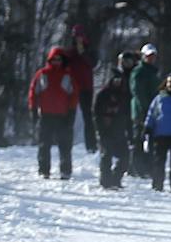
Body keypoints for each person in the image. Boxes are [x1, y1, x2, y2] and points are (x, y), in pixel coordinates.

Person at [29, 46, 81, 177]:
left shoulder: (67, 76)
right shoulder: (42, 74)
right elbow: (33, 92)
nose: (56, 62)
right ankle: (43, 170)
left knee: (65, 145)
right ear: (49, 60)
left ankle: (65, 170)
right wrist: (33, 109)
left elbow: (74, 95)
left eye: (59, 59)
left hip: (63, 116)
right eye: (54, 59)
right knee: (44, 144)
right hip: (45, 115)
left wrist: (72, 111)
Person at [93, 55, 134, 190]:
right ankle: (106, 181)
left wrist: (129, 131)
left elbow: (128, 115)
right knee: (107, 156)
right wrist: (100, 129)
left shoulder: (124, 95)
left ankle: (116, 179)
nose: (117, 82)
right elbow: (96, 114)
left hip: (120, 131)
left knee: (125, 157)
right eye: (115, 79)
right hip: (106, 130)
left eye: (119, 80)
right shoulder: (103, 95)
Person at [62, 24, 99, 153]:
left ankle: (91, 145)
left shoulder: (91, 51)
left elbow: (93, 63)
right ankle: (65, 143)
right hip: (71, 88)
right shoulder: (69, 52)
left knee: (88, 116)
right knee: (68, 117)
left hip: (86, 87)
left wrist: (83, 52)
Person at [129, 44, 162, 179]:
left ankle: (147, 167)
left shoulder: (153, 72)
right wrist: (145, 108)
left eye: (153, 56)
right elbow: (138, 92)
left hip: (152, 110)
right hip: (141, 111)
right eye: (148, 56)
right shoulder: (139, 71)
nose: (151, 58)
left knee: (150, 140)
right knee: (139, 140)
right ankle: (136, 168)